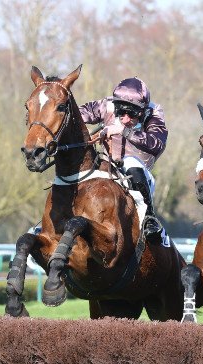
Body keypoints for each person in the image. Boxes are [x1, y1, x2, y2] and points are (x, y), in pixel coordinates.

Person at [79, 77, 166, 242]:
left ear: (142, 110)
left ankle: (149, 218)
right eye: (121, 112)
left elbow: (157, 144)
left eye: (132, 114)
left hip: (139, 173)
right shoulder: (107, 105)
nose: (125, 119)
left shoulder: (153, 113)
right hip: (106, 163)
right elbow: (75, 115)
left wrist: (123, 131)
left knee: (130, 162)